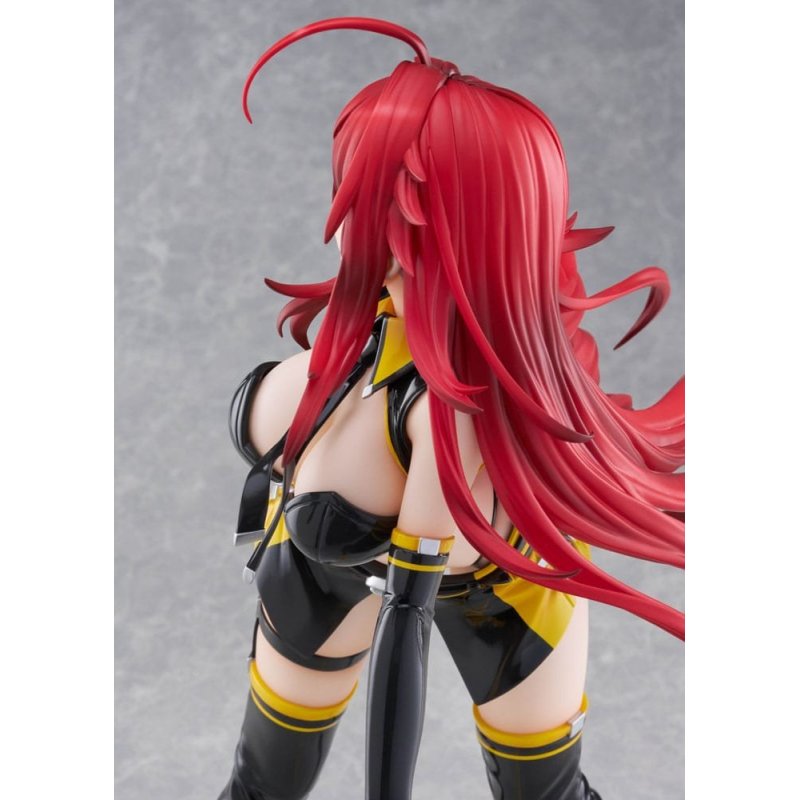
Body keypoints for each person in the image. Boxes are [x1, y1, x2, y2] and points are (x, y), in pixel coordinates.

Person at [218, 17, 684, 800]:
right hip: (313, 576)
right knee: (259, 785)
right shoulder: (361, 337)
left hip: (512, 599)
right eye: (363, 205)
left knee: (546, 792)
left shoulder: (448, 412)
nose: (372, 248)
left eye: (402, 229)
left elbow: (408, 622)